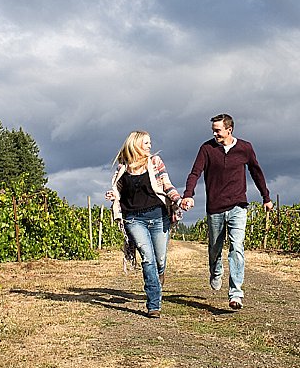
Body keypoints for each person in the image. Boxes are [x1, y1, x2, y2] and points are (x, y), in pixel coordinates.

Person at [180, 113, 273, 310]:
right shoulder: (207, 149)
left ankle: (236, 294)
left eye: (218, 131)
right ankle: (216, 271)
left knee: (237, 247)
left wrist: (266, 197)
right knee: (215, 248)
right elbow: (195, 172)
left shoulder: (245, 148)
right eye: (213, 131)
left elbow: (257, 172)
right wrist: (188, 194)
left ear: (229, 130)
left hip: (238, 206)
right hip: (215, 207)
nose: (215, 134)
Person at [106, 131, 182, 319]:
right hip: (133, 219)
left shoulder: (155, 162)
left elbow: (166, 185)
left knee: (160, 260)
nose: (149, 146)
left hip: (158, 216)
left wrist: (178, 200)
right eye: (146, 143)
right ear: (135, 144)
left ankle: (159, 275)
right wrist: (113, 196)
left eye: (150, 143)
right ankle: (153, 304)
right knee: (147, 258)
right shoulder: (123, 167)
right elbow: (118, 190)